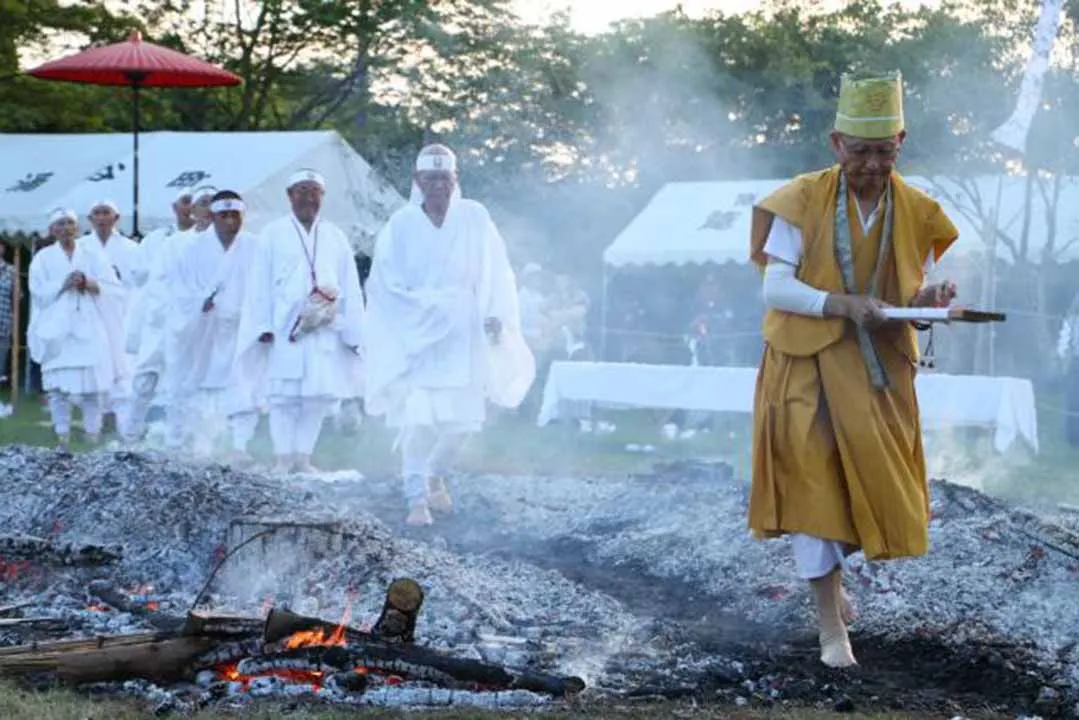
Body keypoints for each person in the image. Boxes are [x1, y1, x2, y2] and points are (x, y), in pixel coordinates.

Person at [746, 71, 959, 669]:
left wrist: (926, 303)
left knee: (869, 489)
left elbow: (904, 298)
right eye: (860, 152)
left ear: (900, 143)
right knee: (811, 488)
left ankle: (836, 587)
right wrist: (840, 304)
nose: (870, 165)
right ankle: (829, 630)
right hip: (804, 366)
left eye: (883, 152)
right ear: (837, 144)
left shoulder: (916, 210)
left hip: (875, 378)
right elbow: (776, 288)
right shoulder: (801, 199)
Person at [364, 144, 535, 527]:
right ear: (417, 181)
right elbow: (385, 285)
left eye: (445, 178)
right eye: (430, 179)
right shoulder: (400, 225)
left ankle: (435, 474)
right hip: (418, 339)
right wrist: (427, 312)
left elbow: (497, 271)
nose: (438, 185)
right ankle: (415, 498)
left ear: (455, 179)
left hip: (464, 336)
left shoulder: (475, 217)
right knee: (420, 420)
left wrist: (493, 313)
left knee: (460, 425)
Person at [236, 169, 364, 474]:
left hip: (324, 330)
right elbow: (259, 283)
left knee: (316, 398)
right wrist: (263, 325)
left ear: (322, 197)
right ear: (290, 196)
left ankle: (303, 457)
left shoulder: (335, 236)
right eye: (301, 191)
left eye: (314, 192)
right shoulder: (273, 233)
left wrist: (352, 328)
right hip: (285, 329)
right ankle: (283, 457)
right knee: (284, 397)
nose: (308, 198)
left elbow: (350, 284)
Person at [173, 190, 264, 463]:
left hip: (243, 328)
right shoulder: (192, 249)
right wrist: (200, 304)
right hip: (206, 330)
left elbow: (266, 288)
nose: (229, 221)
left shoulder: (256, 247)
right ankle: (203, 444)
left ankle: (239, 444)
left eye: (234, 215)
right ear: (212, 216)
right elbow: (181, 289)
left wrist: (260, 321)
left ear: (243, 216)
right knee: (206, 385)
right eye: (223, 215)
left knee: (244, 385)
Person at [28, 209, 127, 450]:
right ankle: (62, 436)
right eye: (60, 224)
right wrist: (64, 283)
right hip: (57, 328)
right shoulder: (43, 257)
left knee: (93, 387)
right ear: (52, 230)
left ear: (77, 227)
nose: (66, 228)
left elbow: (112, 286)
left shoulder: (92, 254)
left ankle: (92, 435)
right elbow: (37, 291)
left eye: (70, 223)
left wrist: (87, 282)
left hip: (90, 325)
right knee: (58, 388)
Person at [122, 189, 196, 444]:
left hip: (190, 323)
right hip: (158, 317)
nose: (190, 208)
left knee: (182, 381)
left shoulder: (207, 239)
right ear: (174, 207)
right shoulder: (158, 239)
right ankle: (130, 434)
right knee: (145, 376)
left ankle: (178, 437)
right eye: (185, 202)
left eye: (195, 203)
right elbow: (139, 275)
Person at [161, 186, 218, 451]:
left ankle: (208, 442)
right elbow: (169, 283)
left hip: (218, 325)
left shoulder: (230, 241)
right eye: (203, 203)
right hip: (184, 322)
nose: (208, 209)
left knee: (213, 383)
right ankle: (175, 439)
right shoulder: (175, 244)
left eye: (212, 203)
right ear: (192, 210)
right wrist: (196, 304)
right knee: (179, 381)